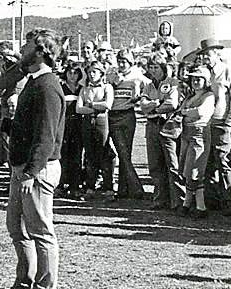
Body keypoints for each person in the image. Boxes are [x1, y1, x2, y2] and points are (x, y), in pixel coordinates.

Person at [0, 28, 65, 289]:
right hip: (23, 166)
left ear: (39, 51)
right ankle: (24, 282)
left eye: (25, 46)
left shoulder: (48, 87)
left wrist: (30, 173)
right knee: (16, 226)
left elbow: (46, 138)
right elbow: (29, 129)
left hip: (37, 170)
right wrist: (3, 125)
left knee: (41, 230)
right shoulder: (33, 83)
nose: (20, 51)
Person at [198, 39, 231, 214]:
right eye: (204, 55)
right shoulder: (202, 72)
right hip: (204, 124)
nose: (206, 58)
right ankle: (212, 200)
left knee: (224, 162)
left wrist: (229, 123)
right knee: (207, 163)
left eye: (208, 54)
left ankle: (230, 203)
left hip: (222, 123)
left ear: (217, 53)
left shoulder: (228, 71)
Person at [138, 52, 184, 210]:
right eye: (150, 67)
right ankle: (159, 199)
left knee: (172, 164)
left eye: (156, 67)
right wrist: (157, 103)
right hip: (151, 125)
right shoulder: (149, 85)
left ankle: (178, 200)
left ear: (163, 67)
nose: (153, 70)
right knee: (155, 164)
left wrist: (154, 107)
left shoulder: (172, 83)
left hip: (167, 125)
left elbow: (171, 104)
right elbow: (142, 105)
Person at [107, 49, 149, 201]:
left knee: (127, 153)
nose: (122, 64)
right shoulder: (112, 73)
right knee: (122, 153)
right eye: (120, 61)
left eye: (125, 61)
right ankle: (136, 188)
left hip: (128, 115)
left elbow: (149, 87)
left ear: (130, 62)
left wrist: (139, 98)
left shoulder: (137, 76)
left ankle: (124, 189)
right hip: (113, 116)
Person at [177, 66, 216, 218]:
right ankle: (191, 204)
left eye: (199, 79)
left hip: (199, 133)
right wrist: (187, 112)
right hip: (187, 132)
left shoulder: (209, 96)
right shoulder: (190, 96)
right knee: (187, 169)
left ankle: (198, 206)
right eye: (193, 79)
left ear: (206, 81)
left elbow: (200, 113)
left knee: (195, 169)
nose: (195, 82)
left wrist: (187, 112)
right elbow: (181, 110)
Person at [77, 61, 115, 199]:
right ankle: (90, 186)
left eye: (95, 71)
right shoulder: (85, 89)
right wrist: (95, 107)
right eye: (90, 72)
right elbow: (78, 108)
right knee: (89, 153)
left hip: (101, 121)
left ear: (101, 73)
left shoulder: (107, 87)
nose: (92, 75)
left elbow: (107, 105)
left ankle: (108, 187)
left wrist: (91, 104)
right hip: (87, 121)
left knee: (104, 152)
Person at [58, 64, 85, 198]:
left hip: (78, 125)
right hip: (64, 124)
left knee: (76, 155)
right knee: (63, 154)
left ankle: (75, 186)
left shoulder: (82, 89)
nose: (72, 75)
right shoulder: (61, 88)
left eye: (75, 73)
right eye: (70, 72)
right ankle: (61, 184)